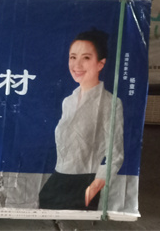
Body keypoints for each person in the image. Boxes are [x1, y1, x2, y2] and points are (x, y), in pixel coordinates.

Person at [39, 29, 124, 210]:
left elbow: (116, 154)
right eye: (73, 57)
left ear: (100, 64)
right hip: (57, 181)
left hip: (84, 182)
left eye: (86, 58)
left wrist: (92, 189)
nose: (76, 65)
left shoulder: (110, 102)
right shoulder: (68, 101)